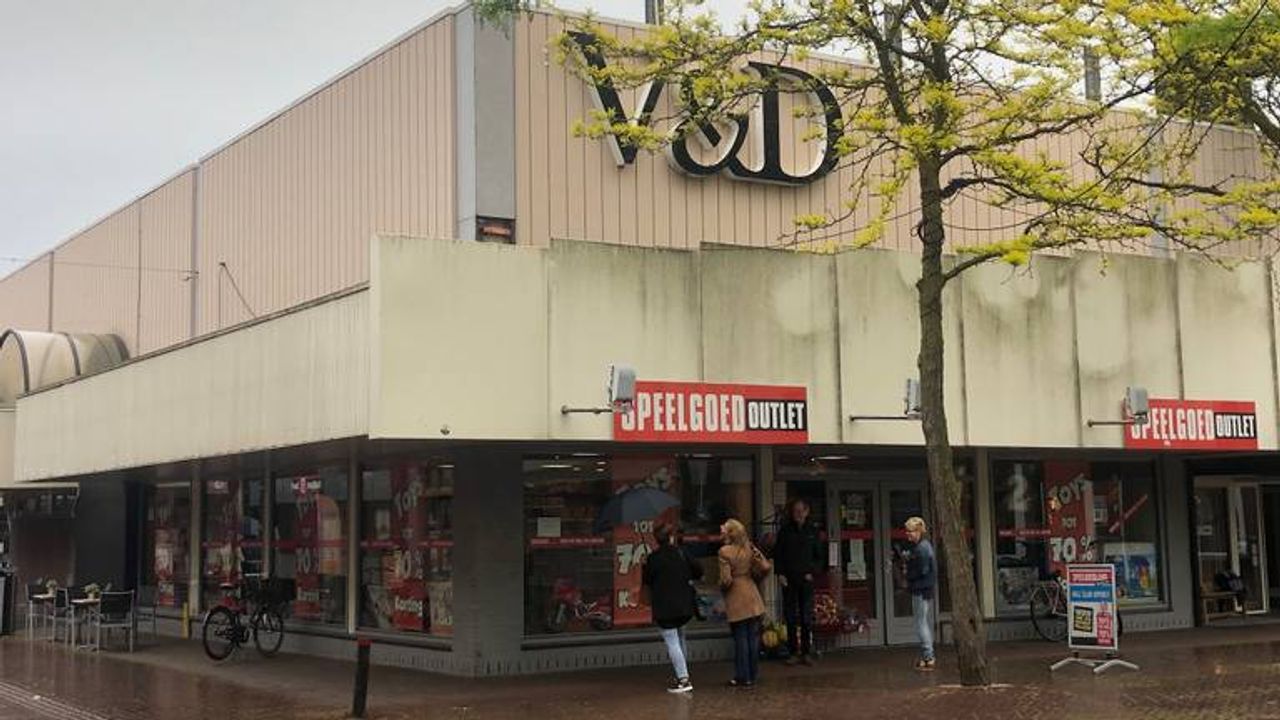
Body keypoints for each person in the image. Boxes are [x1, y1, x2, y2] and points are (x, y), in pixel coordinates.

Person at [642, 522, 705, 694]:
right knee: (680, 637)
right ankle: (682, 675)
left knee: (672, 641)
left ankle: (683, 679)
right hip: (684, 604)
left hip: (664, 607)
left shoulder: (653, 558)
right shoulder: (681, 553)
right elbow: (699, 570)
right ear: (671, 537)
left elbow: (647, 580)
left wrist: (645, 565)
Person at [718, 518, 770, 688]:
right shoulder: (748, 548)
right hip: (753, 595)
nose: (721, 529)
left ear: (730, 533)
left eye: (724, 528)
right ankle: (753, 675)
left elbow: (726, 580)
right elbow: (764, 566)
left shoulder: (724, 552)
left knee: (740, 639)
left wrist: (720, 587)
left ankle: (742, 676)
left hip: (737, 598)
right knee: (752, 638)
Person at [772, 498, 823, 665]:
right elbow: (778, 554)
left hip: (806, 579)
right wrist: (780, 573)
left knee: (806, 617)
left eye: (801, 511)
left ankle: (807, 651)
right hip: (789, 579)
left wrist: (813, 571)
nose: (798, 514)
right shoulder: (785, 531)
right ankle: (793, 651)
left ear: (806, 512)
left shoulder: (813, 531)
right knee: (790, 616)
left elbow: (819, 556)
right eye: (795, 511)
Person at [903, 516, 937, 671]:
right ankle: (927, 656)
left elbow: (922, 570)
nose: (907, 534)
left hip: (921, 589)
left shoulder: (922, 548)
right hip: (924, 589)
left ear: (918, 531)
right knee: (922, 622)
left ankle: (928, 656)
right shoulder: (923, 547)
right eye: (907, 531)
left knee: (921, 623)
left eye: (910, 531)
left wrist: (908, 572)